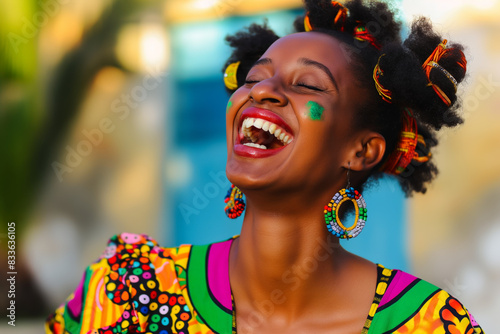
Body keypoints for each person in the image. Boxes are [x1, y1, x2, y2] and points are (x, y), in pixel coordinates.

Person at [46, 0, 484, 333]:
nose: (261, 92)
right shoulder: (128, 290)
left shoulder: (429, 322)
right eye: (254, 78)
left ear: (361, 151)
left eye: (307, 84)